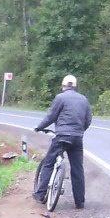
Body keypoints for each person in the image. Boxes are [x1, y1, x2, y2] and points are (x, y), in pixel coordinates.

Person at [32, 75, 92, 209]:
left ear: (63, 86)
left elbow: (51, 116)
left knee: (48, 162)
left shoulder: (60, 98)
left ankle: (40, 194)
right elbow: (88, 120)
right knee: (77, 169)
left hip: (62, 136)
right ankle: (80, 201)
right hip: (77, 138)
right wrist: (79, 130)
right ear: (75, 86)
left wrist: (39, 127)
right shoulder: (84, 99)